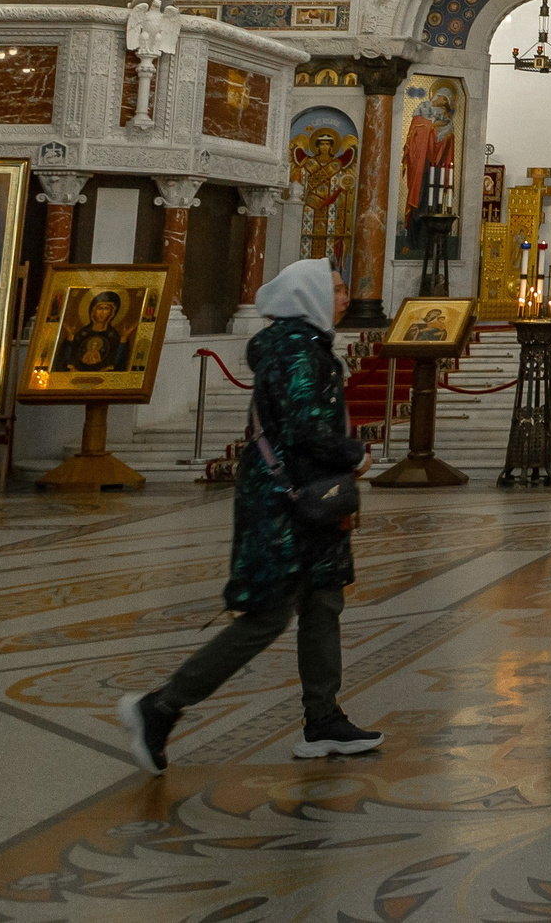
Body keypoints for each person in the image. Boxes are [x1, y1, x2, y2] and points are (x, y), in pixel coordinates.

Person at [116, 261, 381, 771]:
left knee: (323, 602)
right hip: (285, 506)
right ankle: (160, 707)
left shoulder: (306, 345)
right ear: (309, 295)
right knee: (267, 617)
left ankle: (323, 720)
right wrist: (356, 454)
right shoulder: (297, 350)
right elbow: (304, 428)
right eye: (339, 289)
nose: (347, 297)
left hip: (309, 500)